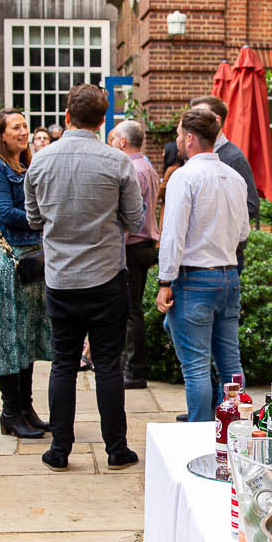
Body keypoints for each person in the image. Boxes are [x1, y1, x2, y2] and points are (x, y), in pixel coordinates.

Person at [24, 82, 145, 470]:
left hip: (61, 277)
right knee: (108, 363)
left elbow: (32, 218)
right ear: (102, 120)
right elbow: (136, 219)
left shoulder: (40, 161)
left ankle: (60, 449)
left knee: (62, 362)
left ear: (66, 116)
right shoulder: (117, 162)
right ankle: (116, 448)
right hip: (106, 276)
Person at [155, 106, 250, 422]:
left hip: (194, 278)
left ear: (191, 138)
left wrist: (164, 281)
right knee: (230, 364)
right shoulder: (235, 178)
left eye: (180, 134)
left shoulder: (184, 176)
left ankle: (199, 435)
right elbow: (243, 232)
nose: (178, 140)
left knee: (195, 366)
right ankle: (233, 433)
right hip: (228, 276)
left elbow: (173, 235)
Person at [0, 109, 51, 440]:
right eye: (16, 127)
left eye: (25, 126)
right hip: (11, 261)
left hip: (34, 258)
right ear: (1, 134)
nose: (23, 132)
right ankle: (10, 412)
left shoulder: (28, 166)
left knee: (30, 336)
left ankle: (26, 407)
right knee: (12, 338)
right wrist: (43, 216)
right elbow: (5, 214)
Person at [109, 119, 160, 390]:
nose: (112, 144)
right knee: (132, 309)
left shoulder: (133, 169)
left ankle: (135, 372)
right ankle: (131, 368)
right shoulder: (148, 167)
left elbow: (132, 215)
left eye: (114, 139)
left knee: (130, 311)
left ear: (123, 142)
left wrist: (115, 245)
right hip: (145, 246)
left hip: (132, 247)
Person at [192, 96, 261, 224]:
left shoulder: (234, 158)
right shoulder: (196, 156)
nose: (192, 124)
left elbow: (251, 205)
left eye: (199, 117)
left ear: (217, 121)